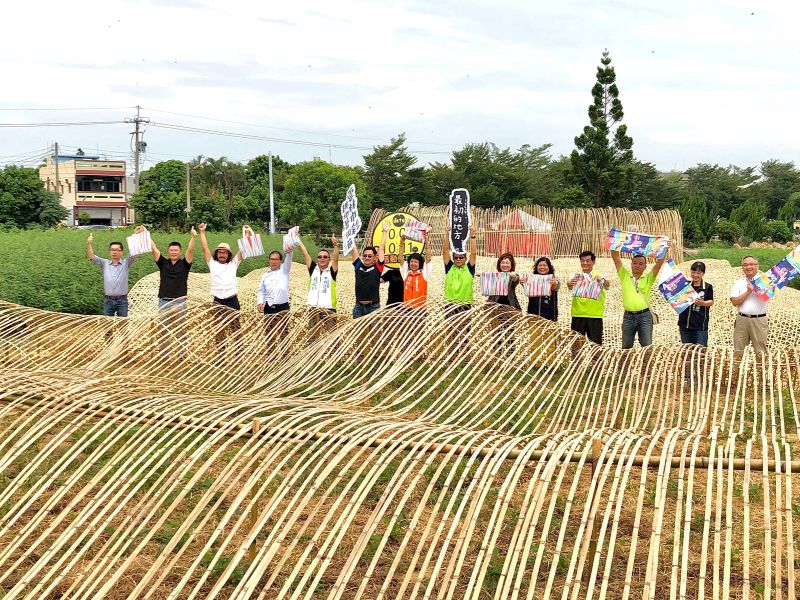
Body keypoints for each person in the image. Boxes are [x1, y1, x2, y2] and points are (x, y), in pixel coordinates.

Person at [611, 244, 670, 349]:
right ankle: (625, 365)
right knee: (626, 347)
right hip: (628, 317)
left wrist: (665, 248)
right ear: (631, 264)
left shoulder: (648, 278)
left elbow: (659, 263)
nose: (637, 265)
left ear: (645, 266)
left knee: (647, 347)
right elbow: (615, 257)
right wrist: (614, 241)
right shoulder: (624, 275)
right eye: (635, 263)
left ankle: (645, 365)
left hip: (645, 317)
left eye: (641, 264)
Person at [87, 228, 141, 317]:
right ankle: (109, 332)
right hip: (108, 301)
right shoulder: (104, 263)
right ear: (109, 251)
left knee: (122, 325)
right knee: (107, 325)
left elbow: (134, 252)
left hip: (122, 301)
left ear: (121, 252)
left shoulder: (126, 263)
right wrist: (89, 243)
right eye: (112, 250)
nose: (114, 252)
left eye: (117, 250)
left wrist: (134, 236)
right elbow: (91, 256)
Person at [566, 250, 610, 345]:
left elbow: (607, 285)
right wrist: (569, 284)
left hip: (594, 316)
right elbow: (569, 285)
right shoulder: (575, 276)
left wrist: (602, 280)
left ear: (593, 262)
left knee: (596, 347)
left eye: (588, 260)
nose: (585, 263)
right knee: (576, 346)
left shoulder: (599, 276)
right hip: (578, 315)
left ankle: (596, 360)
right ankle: (577, 360)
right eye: (582, 260)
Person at [198, 223, 244, 311]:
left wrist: (246, 235)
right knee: (218, 324)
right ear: (217, 253)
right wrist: (202, 232)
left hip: (232, 301)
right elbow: (205, 248)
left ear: (228, 254)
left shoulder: (233, 263)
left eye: (224, 253)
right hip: (217, 302)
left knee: (234, 324)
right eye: (220, 252)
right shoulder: (212, 263)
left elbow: (243, 249)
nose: (222, 255)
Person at [730, 255, 769, 354]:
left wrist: (757, 286)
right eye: (745, 265)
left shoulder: (766, 281)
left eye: (751, 264)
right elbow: (734, 302)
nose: (748, 267)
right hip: (742, 320)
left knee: (761, 352)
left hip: (759, 320)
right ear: (742, 267)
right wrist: (748, 292)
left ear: (757, 266)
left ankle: (761, 370)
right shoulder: (738, 283)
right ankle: (737, 370)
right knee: (738, 351)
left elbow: (767, 296)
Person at [151, 228, 196, 310]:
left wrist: (193, 237)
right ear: (168, 252)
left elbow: (190, 250)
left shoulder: (185, 264)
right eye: (171, 250)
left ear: (180, 252)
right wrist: (145, 233)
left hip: (180, 302)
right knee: (162, 323)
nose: (173, 252)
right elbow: (154, 249)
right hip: (164, 302)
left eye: (176, 250)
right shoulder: (163, 263)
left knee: (180, 323)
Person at [350, 224, 387, 318]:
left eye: (370, 256)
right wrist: (349, 233)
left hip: (373, 307)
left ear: (375, 257)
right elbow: (353, 248)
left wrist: (385, 232)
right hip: (358, 307)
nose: (367, 257)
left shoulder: (378, 267)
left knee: (375, 332)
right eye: (365, 255)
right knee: (357, 332)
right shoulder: (358, 266)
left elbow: (381, 248)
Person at [298, 236, 339, 319]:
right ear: (317, 259)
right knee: (312, 331)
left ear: (329, 259)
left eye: (325, 257)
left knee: (331, 331)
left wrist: (335, 245)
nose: (322, 259)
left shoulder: (332, 271)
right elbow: (305, 254)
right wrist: (297, 239)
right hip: (312, 308)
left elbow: (336, 259)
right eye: (320, 257)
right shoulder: (313, 269)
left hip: (329, 308)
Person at [442, 224, 477, 316]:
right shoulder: (449, 267)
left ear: (465, 258)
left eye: (461, 257)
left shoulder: (469, 268)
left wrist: (472, 236)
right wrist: (447, 235)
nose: (458, 259)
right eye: (456, 257)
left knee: (465, 328)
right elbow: (445, 251)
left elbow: (473, 253)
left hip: (465, 304)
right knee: (450, 328)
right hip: (450, 304)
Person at [678, 261, 714, 346]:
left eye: (698, 273)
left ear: (703, 273)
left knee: (700, 352)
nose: (695, 275)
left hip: (700, 326)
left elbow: (711, 301)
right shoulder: (685, 285)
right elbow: (677, 298)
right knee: (687, 352)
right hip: (684, 325)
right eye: (693, 272)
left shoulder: (707, 287)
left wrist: (702, 303)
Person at [399, 230, 432, 309]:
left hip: (420, 309)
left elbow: (428, 258)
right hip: (407, 308)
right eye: (411, 261)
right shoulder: (406, 273)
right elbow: (400, 259)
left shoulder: (424, 273)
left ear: (420, 263)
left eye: (416, 262)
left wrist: (427, 243)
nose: (413, 264)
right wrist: (401, 242)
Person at [257, 250, 293, 315]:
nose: (273, 261)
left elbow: (289, 258)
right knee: (268, 325)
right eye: (271, 259)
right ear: (269, 260)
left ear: (281, 261)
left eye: (276, 259)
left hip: (283, 307)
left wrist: (289, 251)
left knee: (283, 325)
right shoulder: (265, 275)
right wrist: (260, 302)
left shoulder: (284, 270)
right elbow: (262, 291)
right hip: (268, 308)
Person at [527, 256, 559, 321]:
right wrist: (524, 284)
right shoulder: (531, 278)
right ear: (536, 267)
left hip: (549, 314)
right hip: (533, 312)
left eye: (545, 265)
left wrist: (554, 283)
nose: (542, 267)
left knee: (548, 330)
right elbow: (527, 291)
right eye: (540, 265)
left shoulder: (554, 279)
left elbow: (555, 287)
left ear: (549, 267)